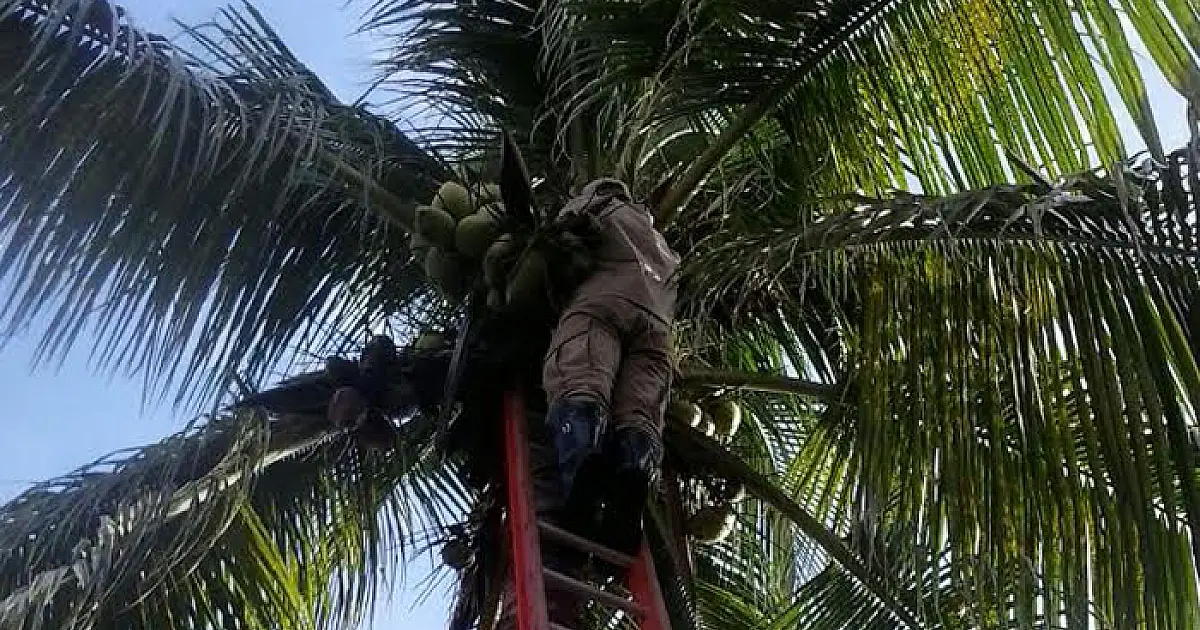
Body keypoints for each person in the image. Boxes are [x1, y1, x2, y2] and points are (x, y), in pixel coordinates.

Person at [542, 178, 680, 555]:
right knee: (639, 413)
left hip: (603, 306)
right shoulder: (663, 245)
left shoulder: (597, 207)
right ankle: (633, 474)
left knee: (582, 382)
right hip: (656, 331)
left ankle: (581, 469)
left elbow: (557, 247)